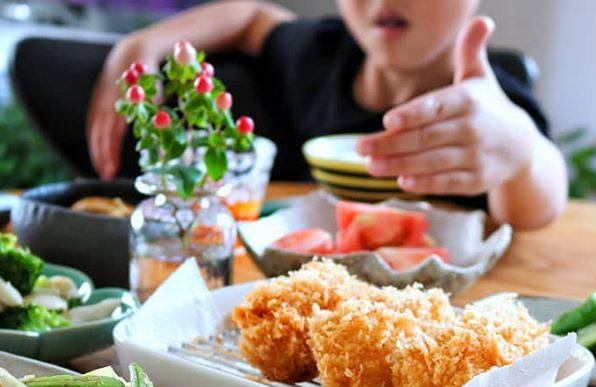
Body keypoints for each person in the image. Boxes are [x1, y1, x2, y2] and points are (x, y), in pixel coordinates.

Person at [88, 0, 567, 230]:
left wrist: (520, 154)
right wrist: (140, 46)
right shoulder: (319, 55)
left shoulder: (486, 105)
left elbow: (536, 199)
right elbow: (254, 17)